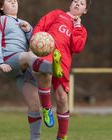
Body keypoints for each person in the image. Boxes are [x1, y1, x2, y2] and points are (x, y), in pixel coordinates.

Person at [0, 0, 63, 140]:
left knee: (34, 105)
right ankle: (52, 68)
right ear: (0, 6)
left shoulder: (24, 23)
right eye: (8, 0)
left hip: (22, 67)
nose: (13, 2)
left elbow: (35, 44)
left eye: (15, 0)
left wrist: (29, 31)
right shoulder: (0, 20)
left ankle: (35, 138)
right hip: (9, 61)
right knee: (30, 56)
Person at [33, 0, 91, 139]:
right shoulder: (57, 14)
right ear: (70, 4)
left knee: (62, 99)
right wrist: (35, 40)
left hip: (63, 63)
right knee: (45, 73)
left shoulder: (81, 30)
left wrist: (77, 27)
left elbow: (77, 48)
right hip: (47, 54)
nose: (77, 4)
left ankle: (62, 135)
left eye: (81, 3)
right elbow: (41, 25)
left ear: (85, 11)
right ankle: (47, 108)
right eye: (75, 1)